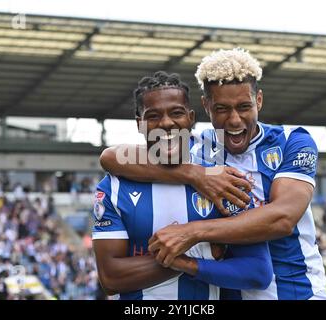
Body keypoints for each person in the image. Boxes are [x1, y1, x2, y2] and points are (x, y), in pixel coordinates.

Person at [100, 48, 326, 300]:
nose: (234, 120)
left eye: (244, 107)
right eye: (222, 108)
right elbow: (112, 157)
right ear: (206, 106)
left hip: (298, 293)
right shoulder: (200, 148)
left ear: (259, 101)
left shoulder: (293, 141)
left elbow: (282, 219)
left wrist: (193, 232)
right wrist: (196, 174)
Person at [92, 71, 273, 300]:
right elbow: (111, 279)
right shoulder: (114, 188)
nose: (166, 123)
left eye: (176, 113)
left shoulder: (221, 180)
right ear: (140, 124)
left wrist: (187, 260)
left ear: (191, 118)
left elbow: (258, 272)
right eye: (153, 116)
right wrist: (204, 252)